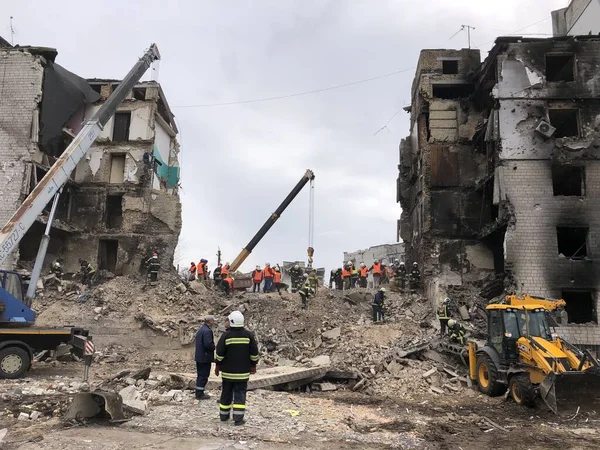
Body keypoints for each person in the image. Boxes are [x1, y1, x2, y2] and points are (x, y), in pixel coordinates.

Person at [215, 311, 259, 426]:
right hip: (243, 374)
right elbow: (254, 353)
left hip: (227, 374)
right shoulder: (249, 336)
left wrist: (218, 365)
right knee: (240, 395)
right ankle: (238, 419)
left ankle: (224, 416)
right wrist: (253, 365)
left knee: (226, 393)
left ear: (232, 321)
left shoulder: (226, 336)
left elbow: (219, 353)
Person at [194, 316, 215, 400]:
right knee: (204, 375)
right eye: (213, 321)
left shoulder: (201, 330)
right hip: (205, 357)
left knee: (200, 375)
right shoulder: (207, 331)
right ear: (209, 321)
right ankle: (199, 394)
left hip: (199, 357)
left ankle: (199, 392)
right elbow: (208, 344)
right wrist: (214, 347)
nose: (214, 322)